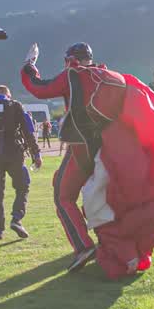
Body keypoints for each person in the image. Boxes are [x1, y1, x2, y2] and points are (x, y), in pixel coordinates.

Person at [21, 42, 128, 273]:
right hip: (110, 147)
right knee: (105, 197)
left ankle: (82, 246)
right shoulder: (112, 77)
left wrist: (29, 66)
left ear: (70, 59)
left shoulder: (74, 75)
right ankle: (116, 245)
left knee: (63, 195)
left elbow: (40, 88)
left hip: (81, 146)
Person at [0, 85, 43, 240]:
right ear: (8, 95)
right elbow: (28, 131)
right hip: (14, 154)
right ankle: (16, 218)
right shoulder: (16, 106)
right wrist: (36, 154)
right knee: (22, 187)